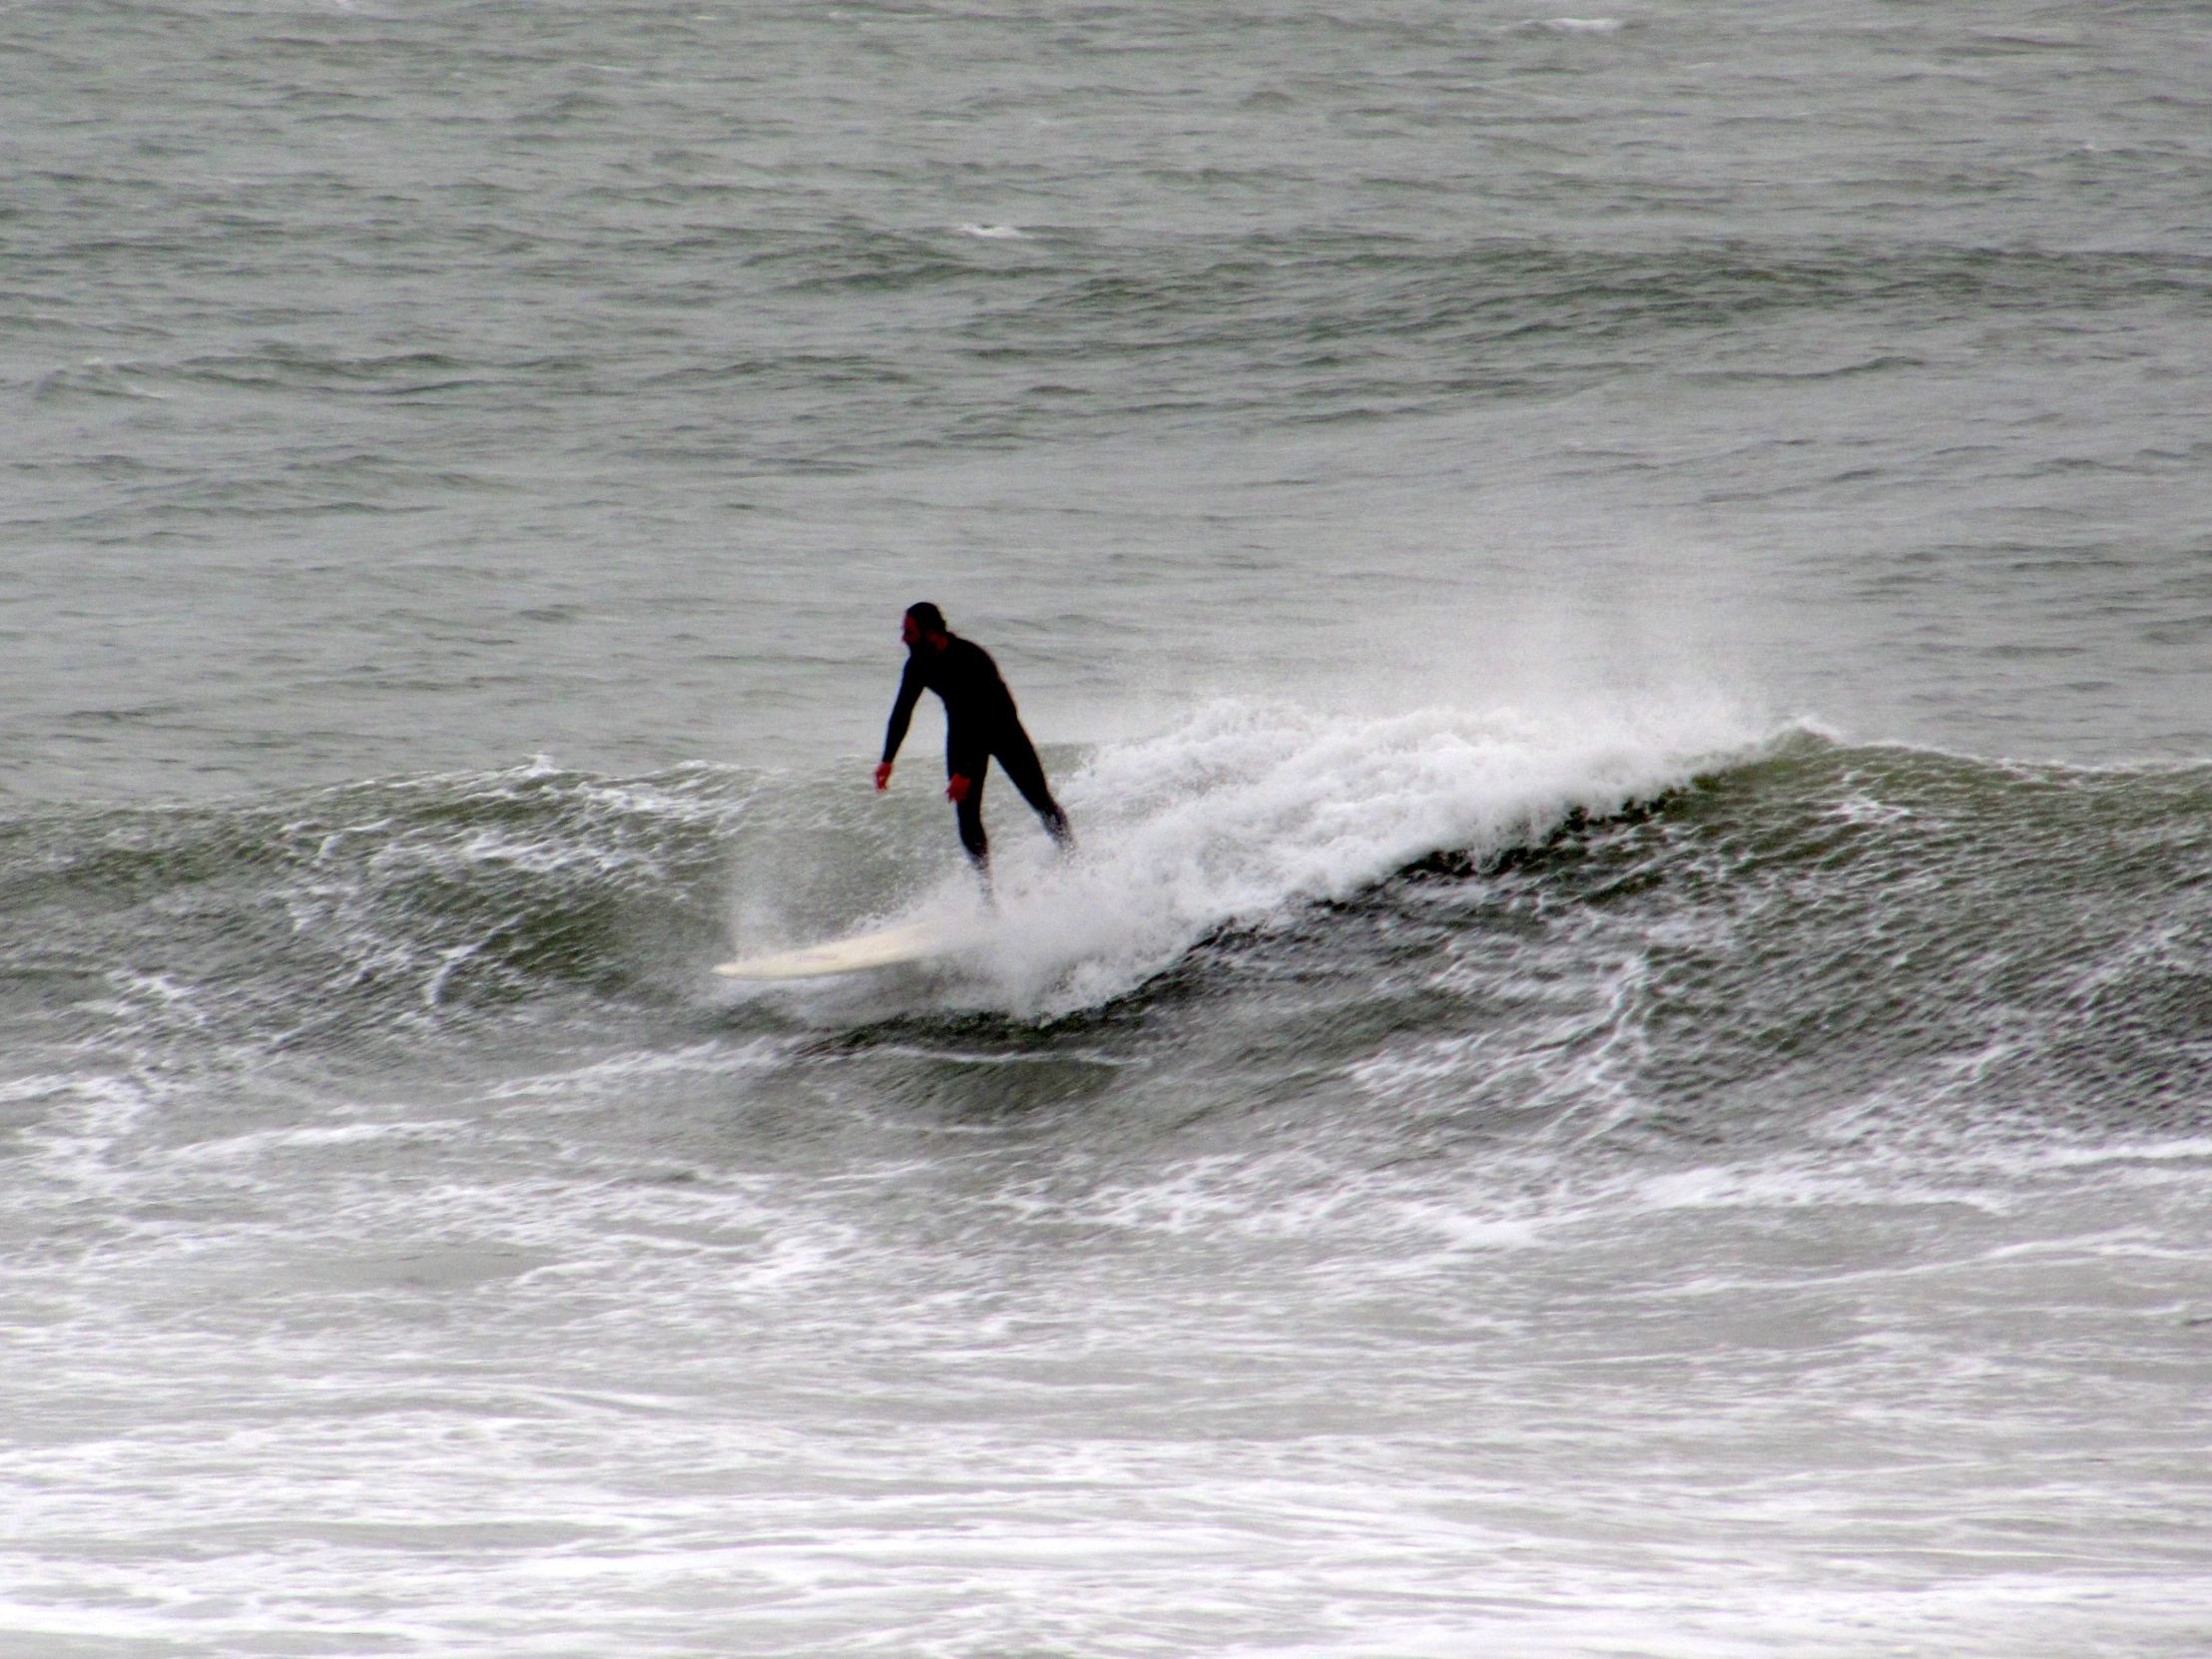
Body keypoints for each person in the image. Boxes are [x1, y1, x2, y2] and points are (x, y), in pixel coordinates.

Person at [874, 602, 1071, 871]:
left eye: (909, 632)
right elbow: (902, 711)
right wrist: (888, 760)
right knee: (967, 817)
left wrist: (965, 772)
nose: (903, 639)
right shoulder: (918, 664)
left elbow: (995, 713)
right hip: (963, 734)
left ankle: (1073, 858)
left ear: (930, 633)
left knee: (1040, 800)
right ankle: (986, 893)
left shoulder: (971, 657)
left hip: (1002, 730)